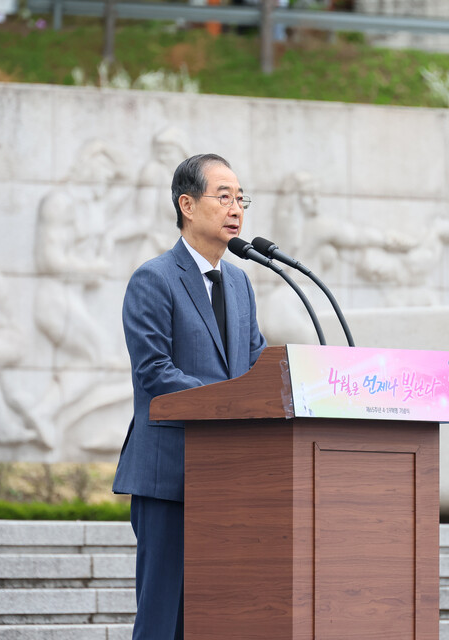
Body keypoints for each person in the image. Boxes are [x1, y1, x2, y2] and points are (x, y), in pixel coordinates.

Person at [112, 153, 267, 640]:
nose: (236, 208)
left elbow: (258, 364)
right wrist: (233, 402)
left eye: (240, 198)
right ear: (187, 204)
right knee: (164, 620)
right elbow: (156, 374)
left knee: (216, 619)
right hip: (170, 476)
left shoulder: (240, 282)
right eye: (223, 196)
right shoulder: (154, 279)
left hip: (229, 478)